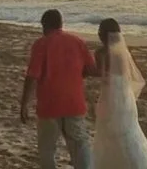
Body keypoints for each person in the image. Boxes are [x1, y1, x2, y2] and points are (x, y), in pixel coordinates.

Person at [21, 9, 99, 169]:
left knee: (47, 148)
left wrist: (24, 103)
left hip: (49, 105)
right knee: (80, 145)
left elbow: (32, 76)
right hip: (74, 103)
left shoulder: (41, 44)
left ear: (45, 25)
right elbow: (91, 70)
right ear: (61, 24)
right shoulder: (77, 41)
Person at [93, 19, 147, 169]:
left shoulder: (104, 53)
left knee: (116, 132)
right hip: (122, 96)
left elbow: (105, 74)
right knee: (124, 131)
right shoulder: (120, 52)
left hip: (113, 96)